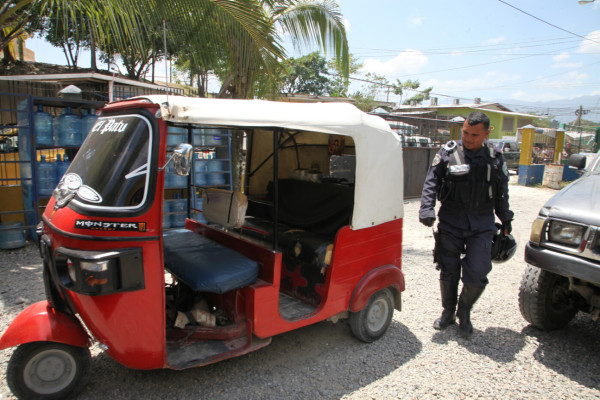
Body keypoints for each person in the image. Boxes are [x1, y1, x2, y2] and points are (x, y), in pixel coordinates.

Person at [419, 111, 514, 339]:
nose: (468, 138)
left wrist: (506, 218)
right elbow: (431, 181)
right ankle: (448, 312)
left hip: (482, 224)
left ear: (487, 133)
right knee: (448, 269)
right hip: (451, 221)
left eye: (474, 134)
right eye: (465, 133)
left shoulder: (495, 157)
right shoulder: (449, 152)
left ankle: (465, 311)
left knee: (478, 271)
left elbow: (501, 192)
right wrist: (426, 209)